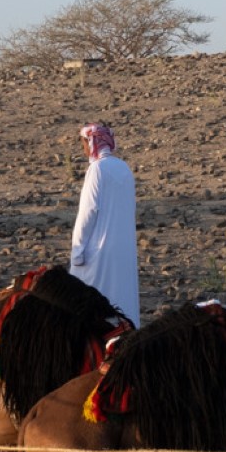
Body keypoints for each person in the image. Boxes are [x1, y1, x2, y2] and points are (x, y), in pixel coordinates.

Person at [69, 123, 140, 325]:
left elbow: (88, 211)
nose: (83, 149)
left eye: (84, 143)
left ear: (90, 143)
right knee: (123, 298)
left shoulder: (97, 169)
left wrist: (77, 250)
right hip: (124, 250)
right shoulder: (124, 168)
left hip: (99, 250)